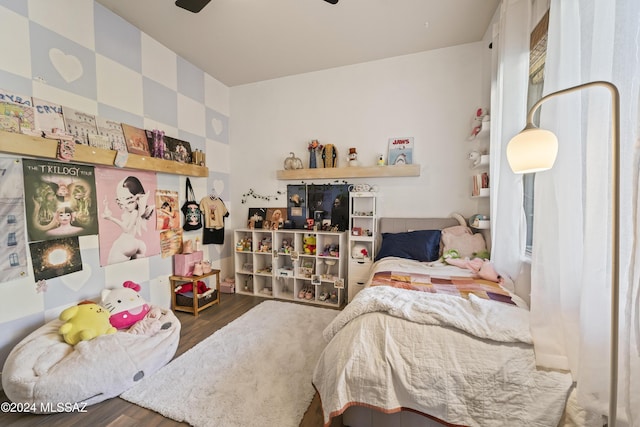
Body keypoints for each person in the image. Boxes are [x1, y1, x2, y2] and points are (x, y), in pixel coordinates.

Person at [102, 176, 154, 264]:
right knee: (137, 271)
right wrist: (106, 206)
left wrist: (111, 218)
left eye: (130, 201)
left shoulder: (134, 212)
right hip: (136, 243)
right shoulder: (134, 212)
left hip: (126, 242)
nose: (125, 205)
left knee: (114, 271)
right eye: (121, 201)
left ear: (137, 199)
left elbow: (126, 229)